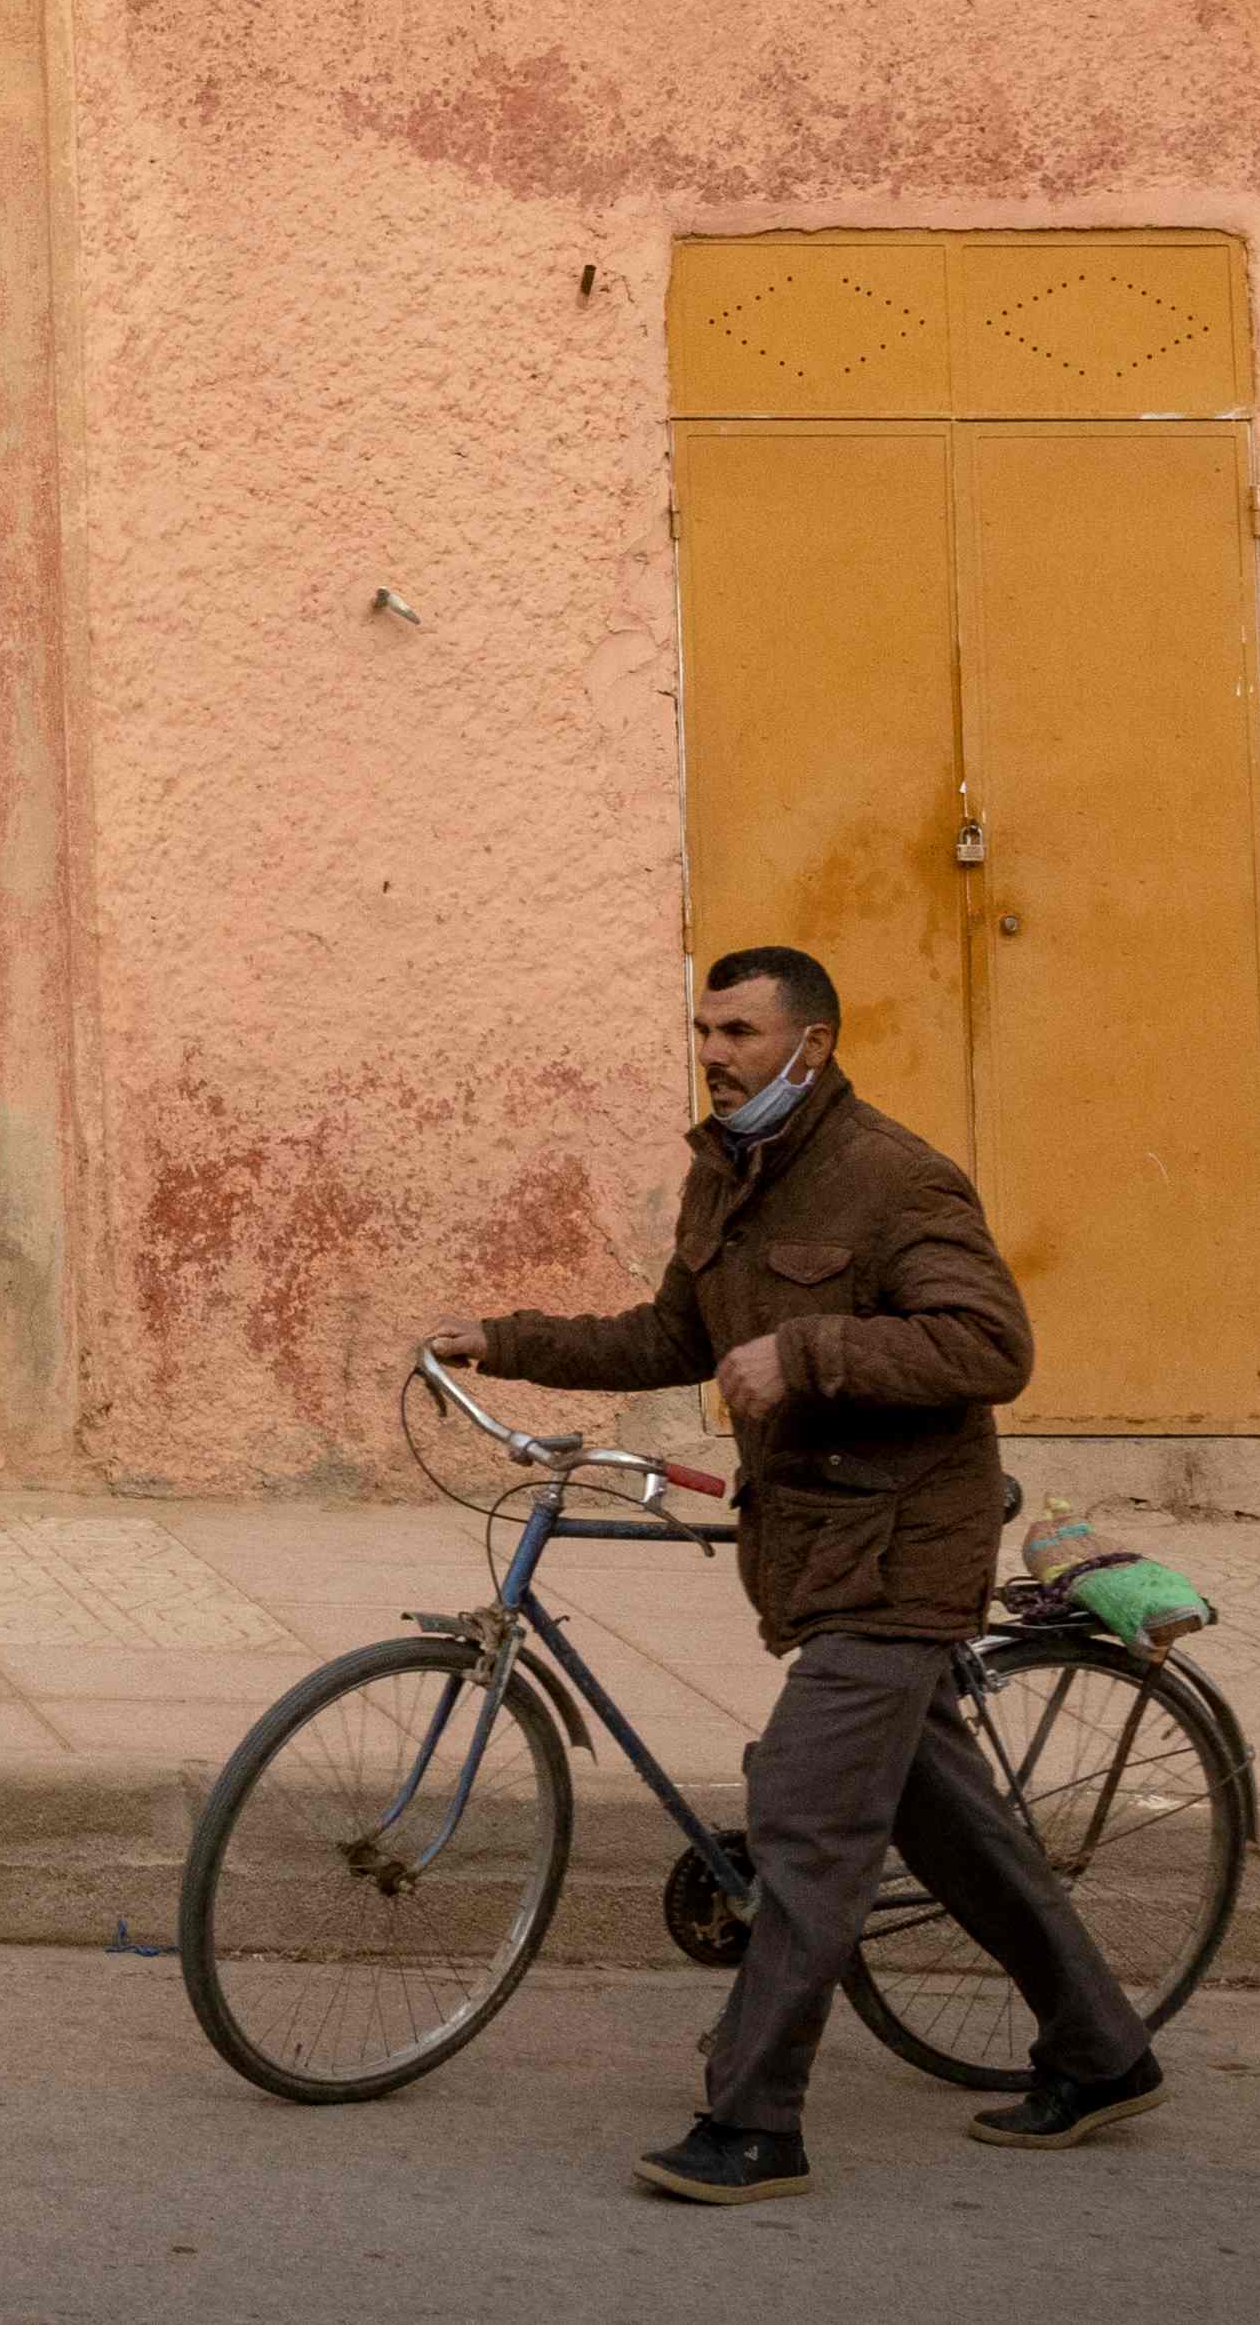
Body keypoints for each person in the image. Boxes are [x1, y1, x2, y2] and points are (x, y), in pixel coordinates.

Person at [438, 944, 1161, 2206]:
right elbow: (672, 1333)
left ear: (810, 1043)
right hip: (814, 1549)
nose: (712, 1053)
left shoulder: (894, 1176)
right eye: (703, 1029)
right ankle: (1101, 2051)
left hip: (903, 1551)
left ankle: (753, 2117)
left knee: (805, 1817)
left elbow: (990, 1342)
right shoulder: (724, 1179)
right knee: (949, 1820)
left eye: (738, 1031)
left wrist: (810, 1351)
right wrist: (506, 1340)